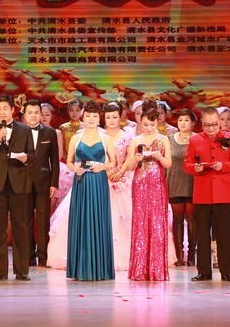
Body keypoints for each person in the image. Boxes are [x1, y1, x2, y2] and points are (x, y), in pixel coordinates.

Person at [0, 95, 35, 281]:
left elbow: (33, 154)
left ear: (12, 110)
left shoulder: (25, 129)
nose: (2, 112)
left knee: (20, 227)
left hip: (19, 183)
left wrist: (27, 158)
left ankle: (22, 270)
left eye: (5, 108)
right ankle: (0, 271)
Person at [184, 107, 230, 282]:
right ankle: (203, 272)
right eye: (207, 125)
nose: (210, 128)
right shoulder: (194, 140)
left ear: (220, 122)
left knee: (224, 234)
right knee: (202, 234)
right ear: (201, 123)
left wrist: (223, 166)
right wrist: (195, 168)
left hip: (223, 192)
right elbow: (187, 164)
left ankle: (227, 271)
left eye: (214, 125)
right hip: (202, 192)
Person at [65, 100, 116, 281]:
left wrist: (102, 167)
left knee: (99, 219)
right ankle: (81, 267)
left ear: (99, 117)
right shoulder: (76, 138)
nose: (92, 119)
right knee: (81, 219)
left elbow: (113, 162)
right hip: (82, 182)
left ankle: (100, 268)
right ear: (83, 117)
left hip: (99, 182)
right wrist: (75, 168)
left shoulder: (105, 138)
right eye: (88, 115)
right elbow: (69, 161)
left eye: (95, 116)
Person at [124, 106, 172, 281]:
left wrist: (160, 157)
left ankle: (156, 270)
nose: (149, 128)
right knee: (141, 223)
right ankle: (139, 269)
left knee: (157, 223)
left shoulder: (163, 139)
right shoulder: (135, 141)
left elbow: (168, 164)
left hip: (158, 184)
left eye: (152, 124)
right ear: (140, 122)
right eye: (146, 124)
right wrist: (135, 159)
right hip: (140, 184)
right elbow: (130, 167)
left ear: (157, 122)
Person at [22, 100, 59, 267]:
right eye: (30, 112)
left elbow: (55, 160)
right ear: (24, 115)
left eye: (36, 112)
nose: (33, 115)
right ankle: (29, 256)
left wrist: (54, 183)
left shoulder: (50, 132)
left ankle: (43, 256)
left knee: (44, 221)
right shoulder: (18, 132)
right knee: (26, 220)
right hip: (23, 182)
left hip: (44, 181)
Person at [103, 101, 136, 271]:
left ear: (120, 117)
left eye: (114, 117)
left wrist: (120, 173)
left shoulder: (127, 135)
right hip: (103, 176)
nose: (111, 120)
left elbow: (131, 157)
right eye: (108, 117)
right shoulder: (100, 135)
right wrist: (108, 172)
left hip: (124, 177)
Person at [167, 108, 197, 266]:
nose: (183, 123)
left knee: (192, 220)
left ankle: (191, 255)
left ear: (193, 123)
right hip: (174, 182)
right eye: (180, 120)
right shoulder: (169, 139)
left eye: (186, 120)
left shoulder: (198, 139)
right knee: (177, 219)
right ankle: (179, 256)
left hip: (193, 183)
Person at [41, 102, 71, 212]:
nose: (44, 117)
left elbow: (59, 154)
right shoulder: (33, 131)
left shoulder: (56, 132)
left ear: (52, 116)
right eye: (42, 114)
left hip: (53, 167)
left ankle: (51, 221)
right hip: (38, 168)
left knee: (53, 197)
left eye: (47, 114)